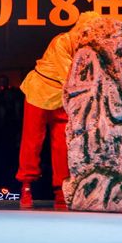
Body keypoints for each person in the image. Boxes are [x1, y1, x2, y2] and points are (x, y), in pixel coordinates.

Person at [16, 11, 100, 210]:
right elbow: (69, 74)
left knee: (62, 144)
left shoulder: (89, 48)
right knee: (32, 141)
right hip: (39, 92)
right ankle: (26, 186)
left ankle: (61, 190)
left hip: (62, 98)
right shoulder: (63, 41)